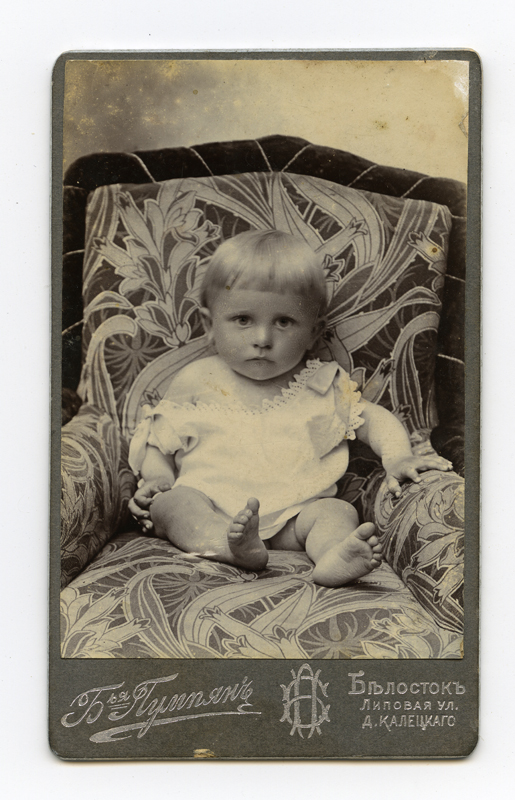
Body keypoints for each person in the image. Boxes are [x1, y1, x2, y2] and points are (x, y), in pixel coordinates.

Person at [128, 230, 452, 587]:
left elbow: (374, 420)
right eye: (243, 319)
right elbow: (159, 439)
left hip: (295, 519)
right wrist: (158, 478)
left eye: (283, 322)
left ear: (314, 332)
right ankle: (226, 544)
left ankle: (332, 555)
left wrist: (397, 457)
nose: (262, 339)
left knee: (336, 511)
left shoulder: (322, 383)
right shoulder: (196, 380)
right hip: (209, 505)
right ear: (209, 324)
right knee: (173, 504)